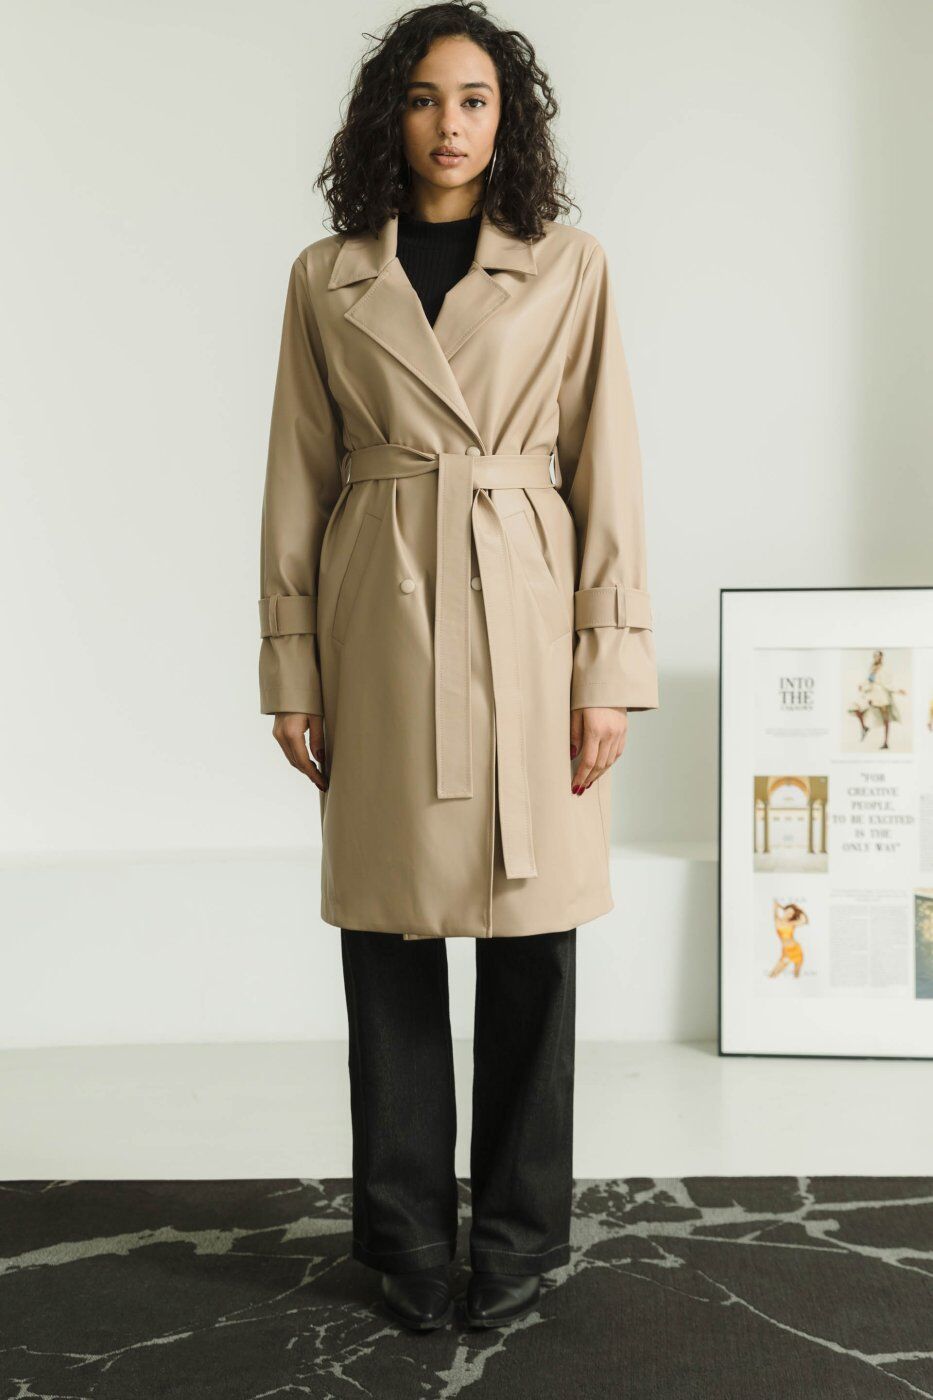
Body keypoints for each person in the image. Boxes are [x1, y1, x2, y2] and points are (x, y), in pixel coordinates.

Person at [257, 0, 660, 1332]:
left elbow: (607, 470)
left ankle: (522, 1234)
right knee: (388, 933)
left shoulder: (569, 267)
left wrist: (606, 669)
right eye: (426, 98)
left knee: (533, 936)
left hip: (527, 613)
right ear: (392, 116)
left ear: (508, 119)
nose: (449, 124)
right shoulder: (326, 277)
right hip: (381, 619)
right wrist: (292, 667)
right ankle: (407, 1237)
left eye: (475, 99)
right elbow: (296, 476)